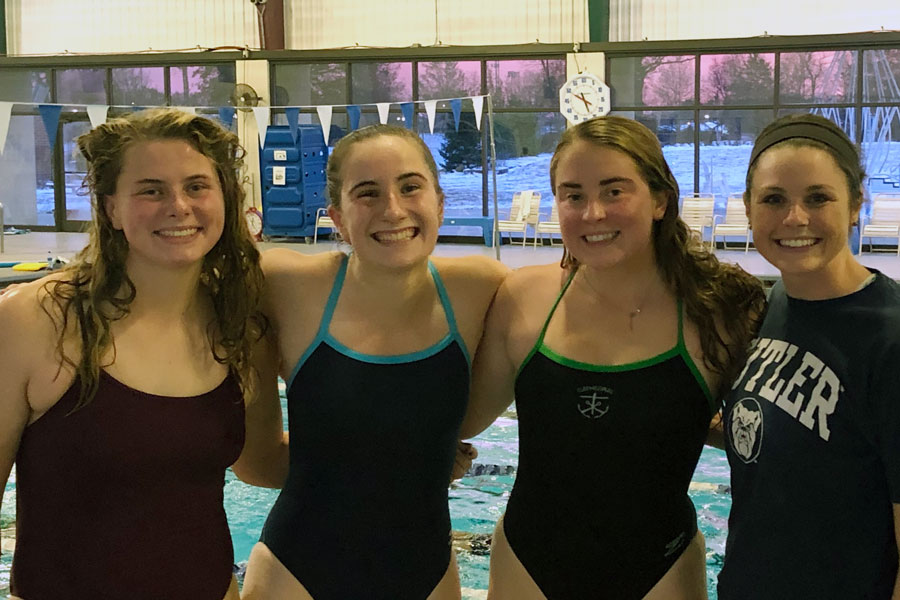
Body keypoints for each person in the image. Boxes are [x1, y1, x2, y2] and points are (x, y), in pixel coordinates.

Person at [461, 115, 765, 599]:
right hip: (527, 564)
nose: (592, 213)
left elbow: (762, 439)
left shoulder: (720, 310)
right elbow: (465, 419)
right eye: (573, 194)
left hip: (661, 570)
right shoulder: (525, 297)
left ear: (661, 199)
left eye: (614, 191)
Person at [0, 108, 268, 600]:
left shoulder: (234, 323)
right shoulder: (34, 320)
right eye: (150, 189)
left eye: (196, 186)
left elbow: (258, 466)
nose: (178, 206)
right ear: (110, 209)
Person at [240, 124, 507, 600]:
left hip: (427, 575)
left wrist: (406, 457)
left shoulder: (482, 290)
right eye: (367, 194)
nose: (393, 209)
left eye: (410, 186)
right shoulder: (285, 284)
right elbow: (254, 464)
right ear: (337, 218)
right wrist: (366, 463)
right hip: (295, 574)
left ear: (439, 202)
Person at [717, 113, 900, 599]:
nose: (794, 218)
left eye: (818, 198)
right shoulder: (771, 305)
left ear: (856, 204)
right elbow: (782, 437)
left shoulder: (889, 337)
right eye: (774, 199)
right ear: (748, 209)